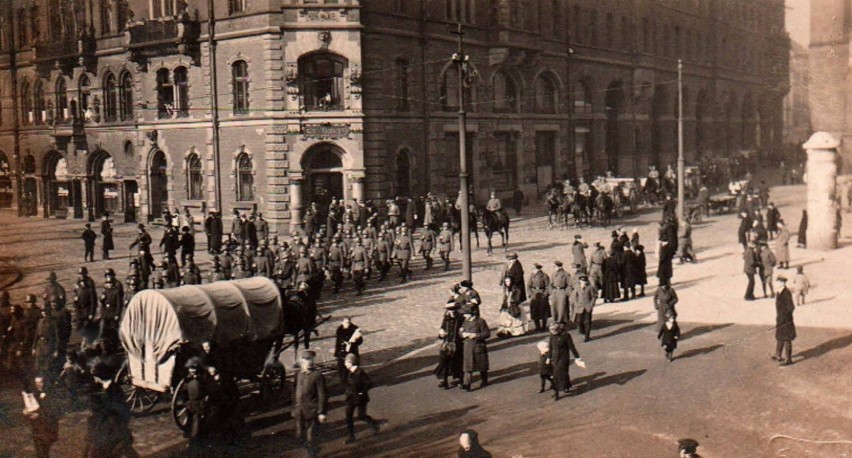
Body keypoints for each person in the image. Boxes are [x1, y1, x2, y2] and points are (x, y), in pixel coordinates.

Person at [83, 361, 137, 457]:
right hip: (105, 428)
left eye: (94, 376)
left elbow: (121, 411)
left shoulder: (112, 390)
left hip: (111, 428)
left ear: (98, 376)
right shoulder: (101, 388)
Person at [292, 350, 327, 457]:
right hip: (299, 411)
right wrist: (294, 407)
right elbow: (294, 392)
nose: (306, 362)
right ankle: (312, 449)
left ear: (312, 361)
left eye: (308, 359)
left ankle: (312, 453)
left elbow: (322, 395)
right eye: (304, 359)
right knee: (299, 436)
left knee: (311, 437)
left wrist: (321, 412)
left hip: (312, 410)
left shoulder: (317, 376)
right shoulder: (298, 374)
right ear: (301, 361)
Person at [342, 354, 380, 444]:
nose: (345, 364)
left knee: (361, 416)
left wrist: (362, 392)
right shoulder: (349, 371)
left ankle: (374, 424)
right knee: (348, 416)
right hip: (350, 397)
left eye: (346, 362)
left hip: (360, 398)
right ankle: (351, 436)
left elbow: (369, 383)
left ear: (351, 362)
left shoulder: (360, 373)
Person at [24, 375, 62, 458]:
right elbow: (27, 409)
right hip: (37, 427)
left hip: (48, 427)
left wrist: (39, 414)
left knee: (45, 449)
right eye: (36, 383)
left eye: (40, 382)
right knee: (40, 450)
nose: (38, 384)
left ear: (44, 383)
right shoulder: (32, 394)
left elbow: (54, 411)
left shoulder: (51, 394)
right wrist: (26, 412)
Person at [436, 295, 464, 389]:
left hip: (457, 344)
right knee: (444, 362)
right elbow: (442, 329)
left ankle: (461, 380)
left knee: (458, 363)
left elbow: (463, 330)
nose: (450, 312)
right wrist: (441, 333)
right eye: (449, 310)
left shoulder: (460, 318)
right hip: (447, 344)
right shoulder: (446, 319)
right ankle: (444, 380)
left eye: (453, 309)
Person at [548, 323, 582, 401]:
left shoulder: (566, 335)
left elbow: (572, 347)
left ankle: (565, 387)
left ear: (558, 330)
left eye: (553, 331)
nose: (551, 332)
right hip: (555, 358)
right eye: (550, 330)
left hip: (564, 358)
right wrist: (549, 358)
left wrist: (577, 357)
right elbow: (550, 347)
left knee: (563, 373)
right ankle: (557, 392)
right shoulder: (552, 336)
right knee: (556, 375)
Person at [460, 304, 490, 391]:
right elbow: (460, 331)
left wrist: (476, 335)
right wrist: (462, 334)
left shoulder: (480, 321)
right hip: (468, 347)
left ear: (471, 314)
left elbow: (487, 333)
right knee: (468, 367)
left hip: (478, 346)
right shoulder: (465, 321)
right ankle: (467, 384)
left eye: (465, 314)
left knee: (481, 366)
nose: (464, 315)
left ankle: (484, 380)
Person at [773, 275, 796, 366]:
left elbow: (791, 307)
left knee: (787, 338)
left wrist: (785, 318)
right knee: (780, 336)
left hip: (786, 320)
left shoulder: (786, 293)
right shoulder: (779, 292)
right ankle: (778, 355)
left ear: (782, 283)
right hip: (780, 319)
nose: (776, 283)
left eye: (778, 282)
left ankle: (788, 359)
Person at [334, 317, 363, 385]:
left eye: (348, 322)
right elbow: (338, 342)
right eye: (346, 322)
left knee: (351, 369)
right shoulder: (339, 330)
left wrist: (352, 343)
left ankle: (353, 383)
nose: (347, 324)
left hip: (351, 353)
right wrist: (336, 353)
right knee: (342, 369)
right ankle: (344, 384)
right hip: (342, 353)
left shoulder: (354, 329)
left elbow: (360, 341)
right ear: (342, 322)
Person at [570, 276, 597, 342]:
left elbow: (593, 297)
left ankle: (586, 336)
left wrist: (591, 305)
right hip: (579, 307)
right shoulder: (577, 287)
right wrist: (576, 304)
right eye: (582, 281)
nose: (583, 283)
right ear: (580, 281)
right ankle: (582, 332)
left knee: (587, 322)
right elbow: (574, 296)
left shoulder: (590, 287)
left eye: (584, 281)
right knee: (579, 321)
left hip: (587, 307)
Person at [526, 263, 551, 332]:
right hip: (534, 294)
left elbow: (548, 286)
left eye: (534, 269)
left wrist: (545, 294)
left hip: (542, 294)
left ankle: (543, 326)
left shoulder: (544, 276)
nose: (533, 270)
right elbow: (528, 285)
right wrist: (530, 294)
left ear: (538, 269)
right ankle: (537, 326)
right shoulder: (532, 276)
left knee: (543, 311)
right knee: (534, 311)